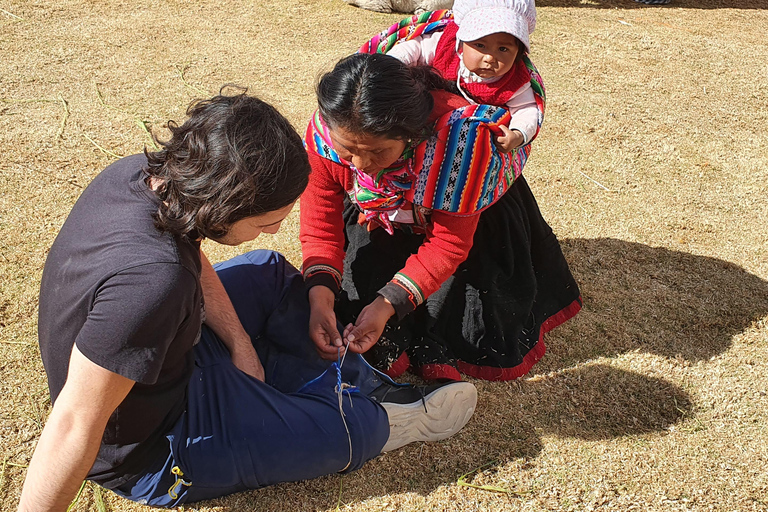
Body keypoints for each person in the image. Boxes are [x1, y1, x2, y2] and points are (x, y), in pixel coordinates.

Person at [18, 89, 477, 511]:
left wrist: (238, 343)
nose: (277, 230)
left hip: (169, 356)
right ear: (228, 203)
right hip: (158, 444)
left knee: (269, 270)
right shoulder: (152, 284)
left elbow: (189, 252)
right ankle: (380, 418)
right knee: (349, 433)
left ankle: (351, 378)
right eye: (265, 221)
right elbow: (74, 424)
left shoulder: (145, 177)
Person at [301, 53, 582, 382]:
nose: (360, 166)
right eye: (348, 150)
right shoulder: (324, 139)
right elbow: (320, 227)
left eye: (378, 152)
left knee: (464, 315)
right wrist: (320, 298)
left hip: (468, 214)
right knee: (348, 296)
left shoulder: (463, 146)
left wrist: (387, 303)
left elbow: (449, 243)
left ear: (412, 135)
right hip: (380, 216)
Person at [382, 0, 542, 154]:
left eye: (503, 49)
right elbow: (416, 47)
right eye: (480, 45)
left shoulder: (514, 81)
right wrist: (391, 65)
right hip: (419, 119)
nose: (490, 58)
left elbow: (526, 109)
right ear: (462, 40)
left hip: (466, 147)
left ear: (518, 53)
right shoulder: (446, 46)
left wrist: (518, 134)